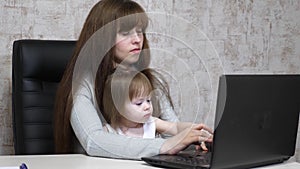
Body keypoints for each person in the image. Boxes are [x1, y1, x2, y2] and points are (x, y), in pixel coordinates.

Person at [54, 0, 213, 160]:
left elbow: (171, 129)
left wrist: (191, 135)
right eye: (126, 33)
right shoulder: (82, 85)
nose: (137, 39)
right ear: (102, 38)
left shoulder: (149, 79)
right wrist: (164, 146)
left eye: (140, 31)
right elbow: (93, 141)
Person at [102, 69, 212, 151]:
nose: (147, 106)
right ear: (117, 108)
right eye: (139, 103)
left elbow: (175, 127)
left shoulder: (151, 123)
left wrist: (193, 129)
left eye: (149, 100)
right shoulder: (109, 131)